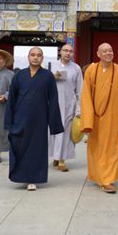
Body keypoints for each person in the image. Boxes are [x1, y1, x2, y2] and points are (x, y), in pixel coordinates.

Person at [5, 47, 64, 191]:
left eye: (38, 55)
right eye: (33, 55)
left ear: (42, 58)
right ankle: (21, 176)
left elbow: (53, 100)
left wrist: (54, 124)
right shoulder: (19, 75)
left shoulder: (48, 76)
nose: (35, 58)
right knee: (18, 146)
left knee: (36, 149)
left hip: (39, 119)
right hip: (20, 118)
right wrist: (9, 121)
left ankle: (33, 179)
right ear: (28, 57)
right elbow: (11, 99)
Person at [80, 43, 118, 193]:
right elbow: (86, 96)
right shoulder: (91, 70)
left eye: (110, 50)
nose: (108, 53)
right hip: (96, 118)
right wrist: (87, 119)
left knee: (111, 149)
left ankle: (107, 180)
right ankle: (99, 176)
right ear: (98, 54)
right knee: (96, 149)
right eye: (104, 51)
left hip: (113, 119)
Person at [49, 44, 83, 172]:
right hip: (53, 103)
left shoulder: (76, 68)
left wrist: (79, 109)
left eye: (70, 51)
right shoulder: (51, 65)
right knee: (53, 132)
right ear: (60, 52)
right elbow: (44, 83)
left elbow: (80, 89)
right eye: (65, 51)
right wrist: (52, 77)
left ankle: (62, 160)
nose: (68, 53)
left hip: (69, 104)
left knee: (66, 133)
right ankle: (56, 156)